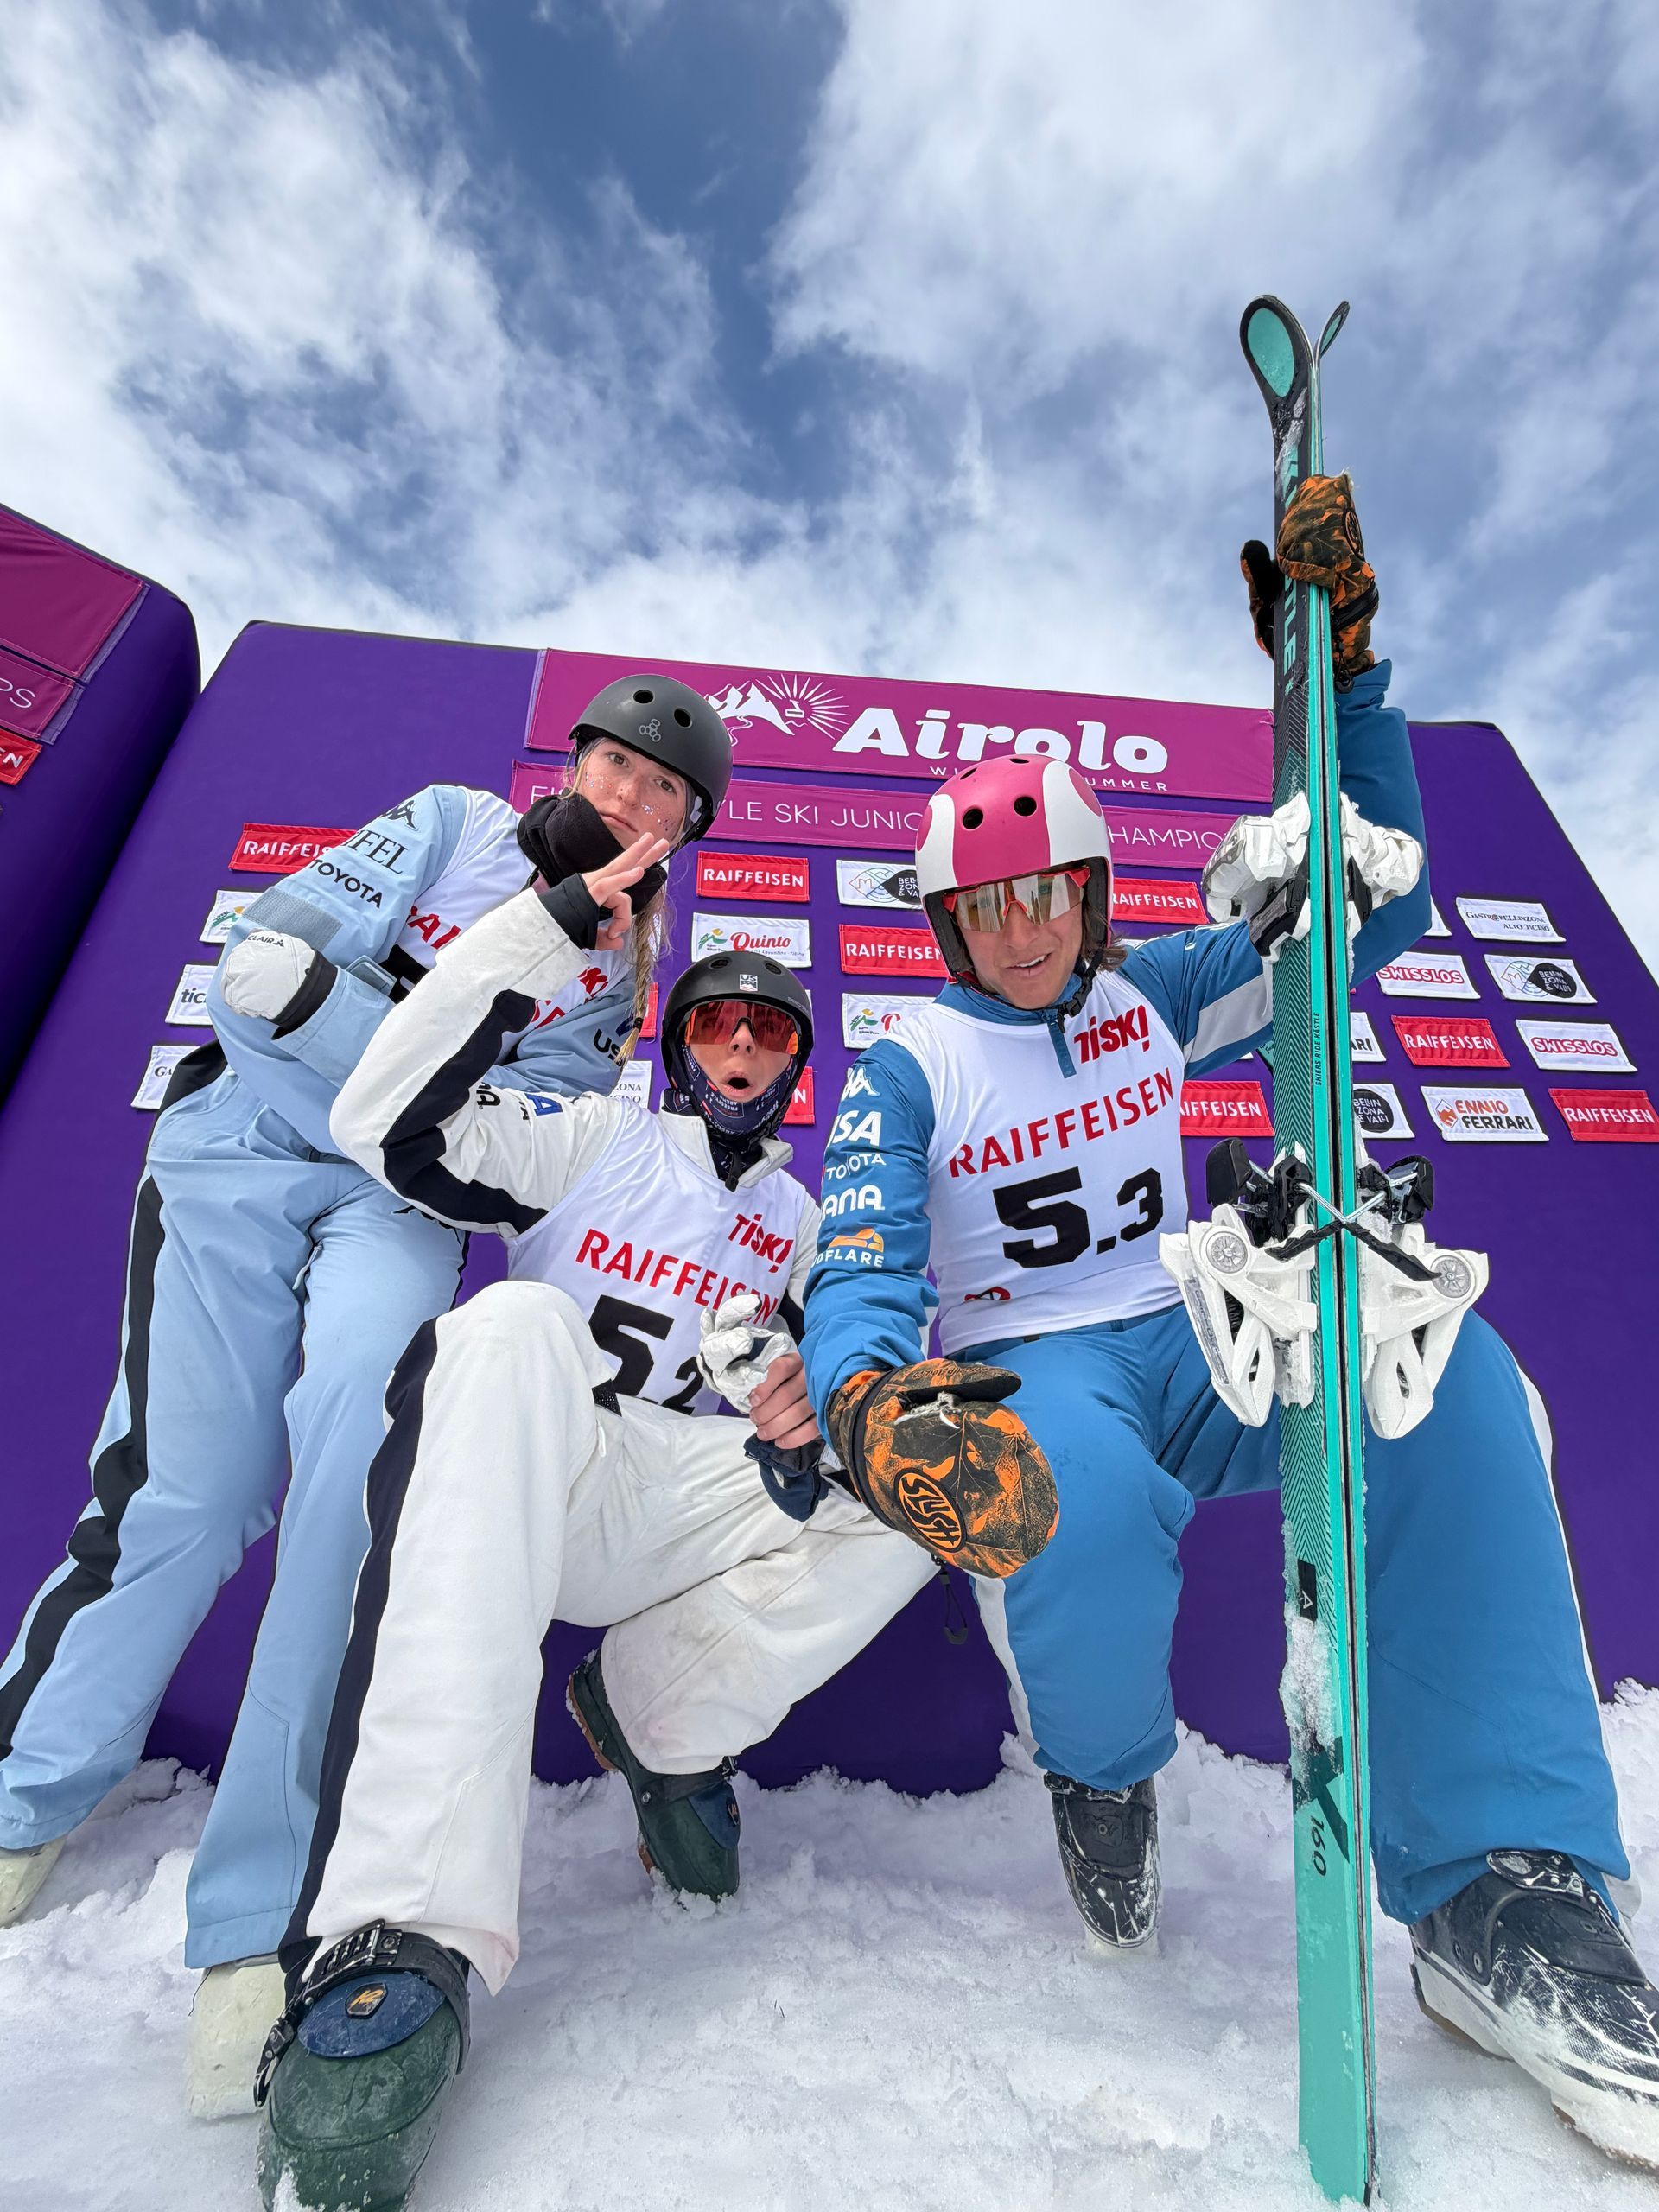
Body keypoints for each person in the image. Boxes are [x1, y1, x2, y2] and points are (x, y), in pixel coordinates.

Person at [799, 480, 1659, 2167]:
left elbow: (1358, 911)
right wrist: (868, 1395)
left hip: (1200, 1323)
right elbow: (863, 1259)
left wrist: (1346, 691)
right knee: (1074, 1493)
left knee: (1435, 1372)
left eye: (1047, 893)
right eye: (987, 907)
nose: (1023, 932)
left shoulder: (1161, 990)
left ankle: (1505, 1884)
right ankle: (1104, 1774)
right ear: (946, 921)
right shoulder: (913, 1058)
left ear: (1089, 889)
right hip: (1038, 1362)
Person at [0, 673, 732, 2112]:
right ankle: (28, 1792)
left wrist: (363, 1033)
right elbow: (260, 974)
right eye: (618, 766)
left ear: (682, 833)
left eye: (666, 794)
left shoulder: (617, 972)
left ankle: (261, 1922)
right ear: (574, 763)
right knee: (184, 1497)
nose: (633, 799)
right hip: (235, 1152)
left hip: (398, 1210)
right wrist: (395, 1062)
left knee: (347, 1516)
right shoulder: (457, 825)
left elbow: (482, 1137)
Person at [247, 842, 930, 2212]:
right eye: (718, 1024)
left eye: (769, 1032)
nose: (741, 1050)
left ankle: (660, 1716)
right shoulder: (601, 1133)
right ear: (680, 1045)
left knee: (909, 1482)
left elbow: (836, 1378)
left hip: (661, 1502)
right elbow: (386, 1122)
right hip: (519, 1476)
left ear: (799, 1062)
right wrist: (535, 934)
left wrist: (809, 1419)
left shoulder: (803, 1222)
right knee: (512, 1320)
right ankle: (397, 1931)